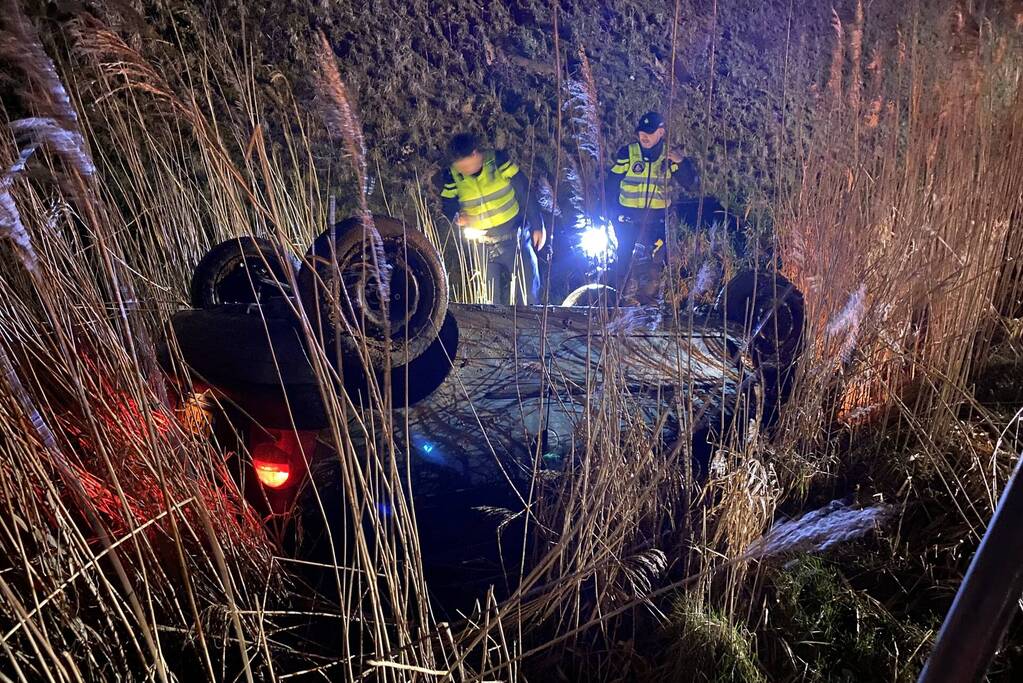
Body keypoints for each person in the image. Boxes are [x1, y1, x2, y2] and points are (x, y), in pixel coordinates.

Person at [438, 133, 545, 305]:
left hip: (515, 238)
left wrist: (537, 225)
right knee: (487, 303)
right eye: (460, 168)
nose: (463, 171)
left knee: (528, 298)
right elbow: (448, 205)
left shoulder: (498, 162)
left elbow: (525, 190)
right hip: (482, 245)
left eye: (465, 166)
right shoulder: (452, 175)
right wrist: (457, 218)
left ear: (474, 154)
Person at [605, 111, 688, 300]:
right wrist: (611, 214)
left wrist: (681, 162)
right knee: (623, 265)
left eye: (649, 132)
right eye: (641, 132)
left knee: (654, 269)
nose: (643, 136)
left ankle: (653, 305)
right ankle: (619, 304)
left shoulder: (669, 156)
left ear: (661, 132)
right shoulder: (628, 153)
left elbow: (691, 183)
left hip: (656, 224)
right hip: (627, 222)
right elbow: (610, 185)